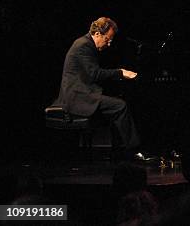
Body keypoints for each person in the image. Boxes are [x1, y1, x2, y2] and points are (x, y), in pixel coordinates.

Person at [53, 17, 142, 159]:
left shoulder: (87, 44)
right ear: (97, 34)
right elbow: (95, 74)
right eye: (107, 39)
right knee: (120, 106)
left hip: (82, 93)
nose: (109, 44)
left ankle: (119, 151)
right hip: (76, 97)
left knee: (117, 103)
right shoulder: (83, 45)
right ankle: (133, 151)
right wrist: (121, 72)